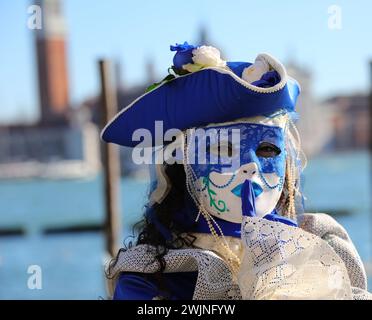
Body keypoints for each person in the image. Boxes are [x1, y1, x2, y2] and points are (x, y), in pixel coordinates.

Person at [101, 42, 371, 300]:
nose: (250, 165)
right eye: (222, 150)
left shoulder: (321, 247)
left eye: (267, 150)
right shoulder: (149, 278)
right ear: (182, 163)